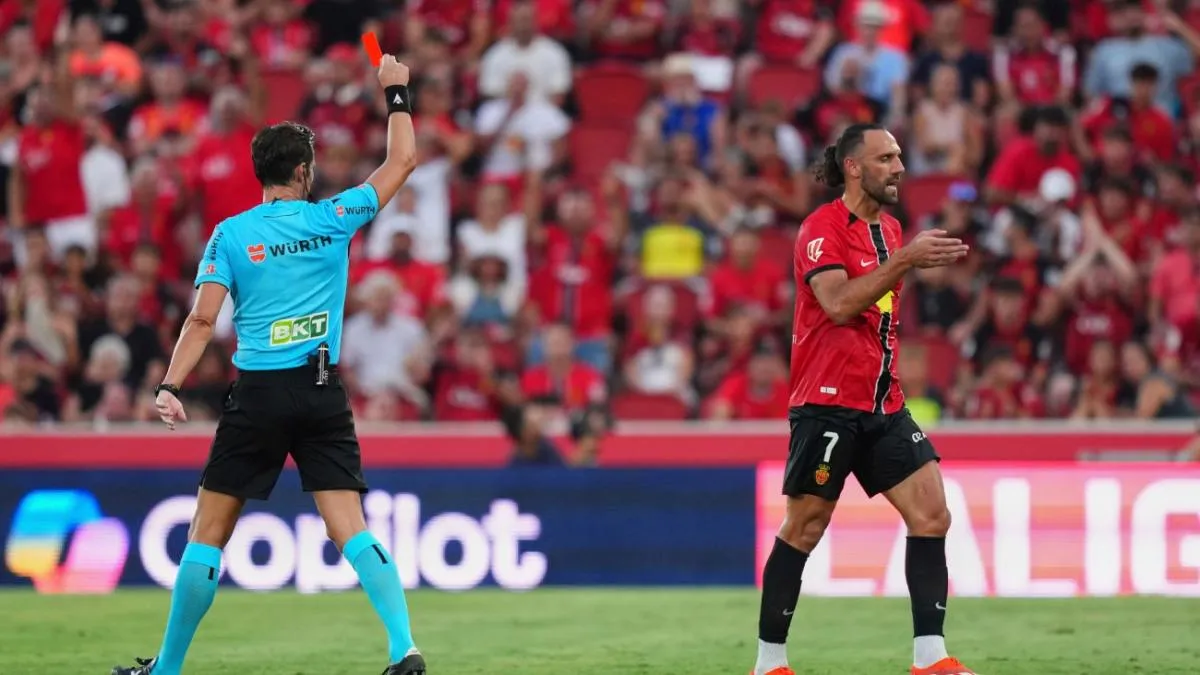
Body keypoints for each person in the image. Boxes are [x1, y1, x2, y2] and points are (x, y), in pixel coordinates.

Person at [111, 55, 426, 675]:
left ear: (261, 173)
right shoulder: (334, 219)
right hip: (321, 389)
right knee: (351, 528)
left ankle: (167, 670)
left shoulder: (230, 235)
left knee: (208, 532)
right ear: (304, 171)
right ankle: (403, 649)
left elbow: (202, 321)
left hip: (258, 394)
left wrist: (171, 383)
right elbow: (403, 161)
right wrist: (396, 92)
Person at [752, 124, 976, 675]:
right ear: (853, 168)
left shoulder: (892, 229)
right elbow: (837, 305)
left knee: (932, 514)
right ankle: (769, 664)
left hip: (883, 403)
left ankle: (930, 659)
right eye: (885, 158)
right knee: (805, 527)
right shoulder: (821, 228)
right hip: (827, 403)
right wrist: (904, 262)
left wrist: (904, 260)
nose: (899, 167)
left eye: (898, 156)